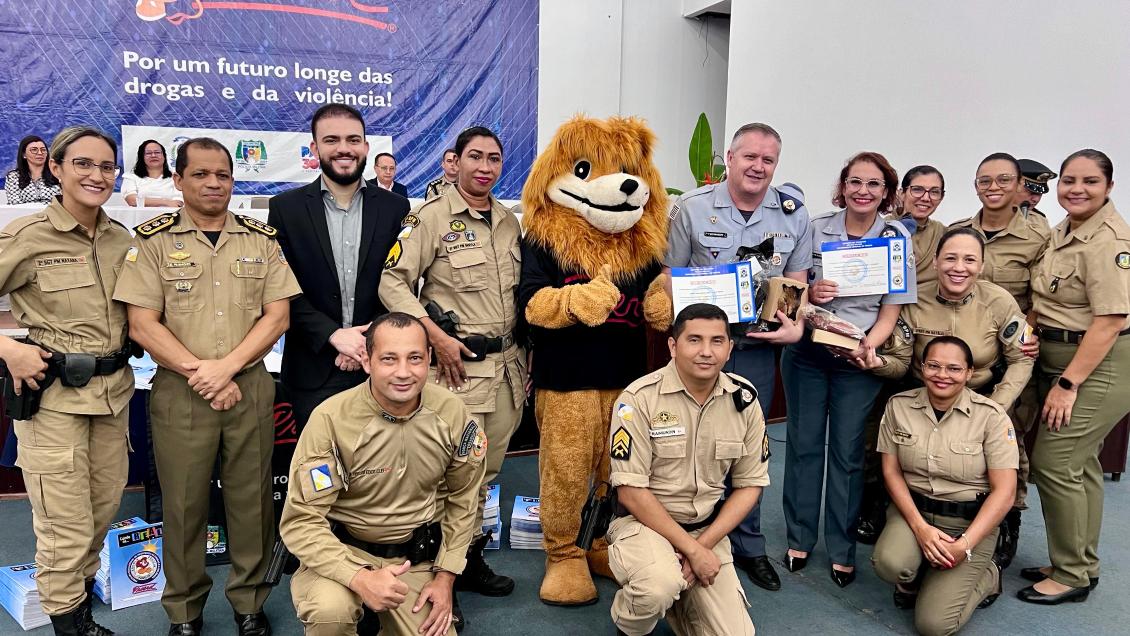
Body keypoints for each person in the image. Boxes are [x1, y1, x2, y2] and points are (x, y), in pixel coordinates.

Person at [113, 137, 301, 636]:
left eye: (222, 174)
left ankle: (249, 604)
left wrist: (229, 368)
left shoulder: (261, 238)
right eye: (200, 174)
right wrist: (204, 373)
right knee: (182, 505)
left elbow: (278, 315)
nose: (214, 183)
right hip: (181, 394)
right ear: (178, 180)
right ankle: (184, 611)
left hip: (250, 388)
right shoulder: (151, 241)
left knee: (251, 502)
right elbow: (142, 325)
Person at [663, 122, 811, 591]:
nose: (758, 167)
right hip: (700, 348)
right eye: (749, 157)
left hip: (755, 351)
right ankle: (681, 537)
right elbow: (669, 275)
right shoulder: (691, 208)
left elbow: (798, 280)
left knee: (749, 448)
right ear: (728, 158)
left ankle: (748, 546)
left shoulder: (792, 215)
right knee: (685, 441)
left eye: (768, 160)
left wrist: (796, 324)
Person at [379, 126, 523, 604]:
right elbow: (392, 283)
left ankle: (465, 560)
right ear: (455, 161)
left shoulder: (508, 220)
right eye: (475, 157)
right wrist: (434, 337)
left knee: (486, 475)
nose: (485, 167)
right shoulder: (430, 219)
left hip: (508, 372)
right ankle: (436, 576)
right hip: (461, 373)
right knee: (449, 477)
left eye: (494, 159)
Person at [0, 126, 133, 636]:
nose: (96, 176)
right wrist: (10, 349)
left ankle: (78, 605)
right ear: (55, 168)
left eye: (105, 167)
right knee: (64, 524)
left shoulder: (122, 238)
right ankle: (68, 623)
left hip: (113, 396)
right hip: (53, 400)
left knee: (101, 513)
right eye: (83, 164)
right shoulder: (28, 236)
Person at [280, 312, 482, 636]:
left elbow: (465, 497)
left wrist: (446, 578)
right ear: (367, 361)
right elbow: (302, 520)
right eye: (389, 359)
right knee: (330, 613)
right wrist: (359, 577)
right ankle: (355, 606)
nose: (403, 372)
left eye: (414, 358)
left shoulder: (451, 413)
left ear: (429, 358)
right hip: (343, 552)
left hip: (413, 560)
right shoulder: (331, 420)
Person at [783, 151, 916, 587]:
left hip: (858, 359)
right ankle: (799, 538)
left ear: (887, 193)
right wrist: (811, 294)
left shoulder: (896, 238)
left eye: (874, 184)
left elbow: (891, 311)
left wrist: (866, 347)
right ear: (842, 187)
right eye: (855, 182)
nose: (863, 191)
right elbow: (791, 292)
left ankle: (841, 548)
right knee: (803, 447)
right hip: (808, 353)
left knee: (847, 454)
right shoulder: (814, 228)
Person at [607, 303, 768, 636]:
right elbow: (631, 493)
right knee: (656, 588)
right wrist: (693, 552)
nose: (706, 352)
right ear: (672, 346)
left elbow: (750, 485)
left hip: (705, 529)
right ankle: (630, 623)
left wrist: (701, 547)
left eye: (717, 341)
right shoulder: (637, 399)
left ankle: (680, 597)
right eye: (694, 340)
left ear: (729, 349)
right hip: (644, 525)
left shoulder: (745, 401)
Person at [1019, 149, 1130, 605]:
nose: (1076, 189)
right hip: (1058, 351)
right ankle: (1080, 560)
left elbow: (1109, 319)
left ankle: (1071, 576)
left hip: (1095, 363)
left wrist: (1068, 384)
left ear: (1109, 186)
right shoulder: (1065, 229)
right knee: (1081, 465)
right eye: (1068, 180)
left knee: (1055, 461)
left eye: (1089, 181)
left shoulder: (1109, 241)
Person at [268, 104, 410, 430]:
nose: (343, 148)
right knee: (320, 475)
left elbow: (399, 282)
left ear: (365, 147)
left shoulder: (395, 208)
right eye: (331, 140)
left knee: (382, 474)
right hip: (311, 370)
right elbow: (281, 288)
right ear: (315, 148)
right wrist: (334, 335)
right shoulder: (285, 209)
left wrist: (366, 339)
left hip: (380, 367)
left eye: (352, 139)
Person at [872, 336, 1018, 636]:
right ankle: (916, 573)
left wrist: (964, 545)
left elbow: (1005, 492)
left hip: (969, 524)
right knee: (890, 564)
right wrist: (920, 528)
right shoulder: (899, 406)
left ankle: (989, 575)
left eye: (953, 368)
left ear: (969, 373)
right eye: (934, 366)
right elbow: (891, 471)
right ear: (922, 367)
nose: (942, 375)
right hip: (915, 514)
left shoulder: (991, 417)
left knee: (934, 626)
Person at [949, 152, 1051, 563]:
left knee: (1009, 445)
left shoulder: (1038, 237)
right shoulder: (959, 232)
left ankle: (1009, 520)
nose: (993, 188)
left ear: (1018, 186)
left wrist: (1032, 331)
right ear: (975, 186)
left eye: (1003, 181)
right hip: (959, 355)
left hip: (1012, 355)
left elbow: (1046, 295)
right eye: (984, 181)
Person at [899, 165, 947, 288]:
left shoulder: (943, 233)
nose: (926, 198)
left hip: (930, 304)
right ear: (902, 193)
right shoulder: (882, 228)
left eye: (934, 192)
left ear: (942, 197)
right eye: (917, 190)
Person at [121, 140, 182, 208]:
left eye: (157, 152)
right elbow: (132, 200)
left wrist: (145, 201)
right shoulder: (130, 176)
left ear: (164, 156)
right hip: (141, 217)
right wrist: (165, 202)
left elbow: (178, 202)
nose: (153, 155)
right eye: (148, 153)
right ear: (142, 157)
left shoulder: (176, 177)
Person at [4, 135, 61, 205]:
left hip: (54, 213)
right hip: (25, 214)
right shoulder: (13, 176)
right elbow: (14, 203)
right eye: (34, 150)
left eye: (43, 150)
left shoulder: (58, 173)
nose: (40, 153)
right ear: (24, 154)